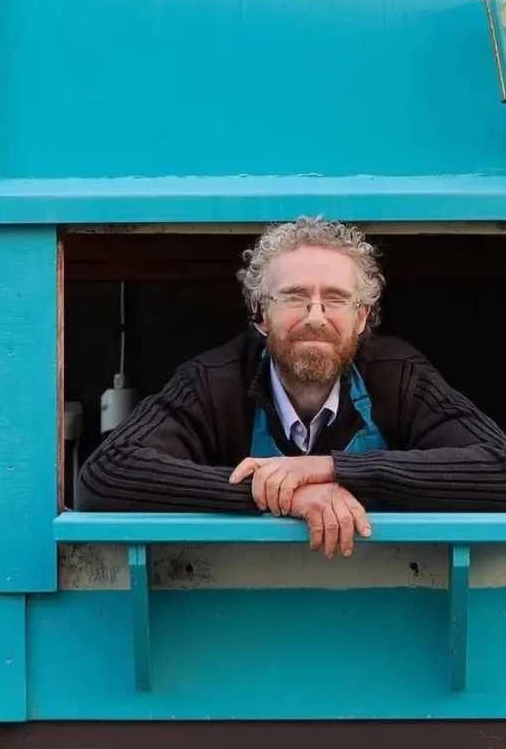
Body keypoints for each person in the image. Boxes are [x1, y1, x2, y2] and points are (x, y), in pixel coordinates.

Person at [76, 215, 506, 558]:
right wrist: (281, 495)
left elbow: (498, 469)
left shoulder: (398, 375)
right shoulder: (213, 381)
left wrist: (333, 470)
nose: (316, 315)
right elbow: (103, 476)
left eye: (335, 298)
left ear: (362, 317)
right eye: (295, 297)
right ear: (260, 312)